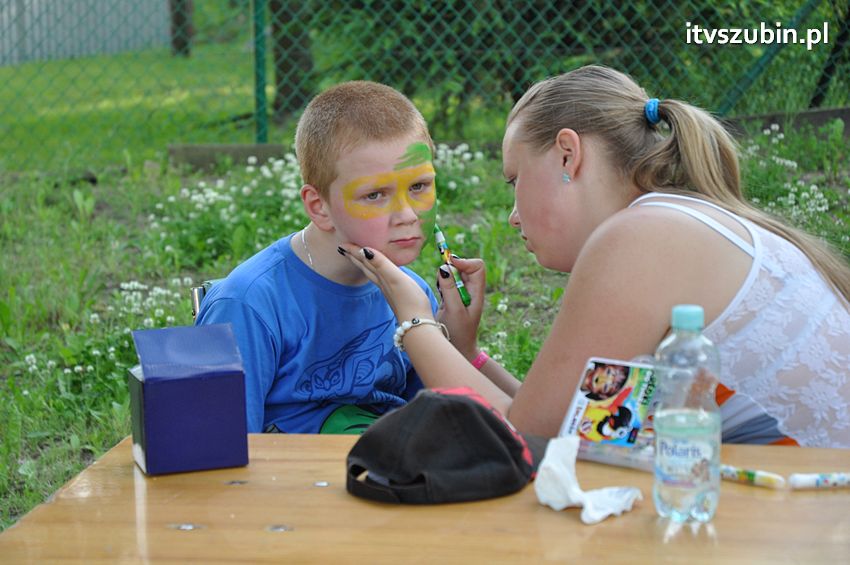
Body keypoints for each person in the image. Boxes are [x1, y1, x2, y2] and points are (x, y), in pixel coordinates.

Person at [340, 65, 850, 448]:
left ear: (568, 153)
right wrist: (471, 354)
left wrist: (415, 319)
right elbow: (588, 428)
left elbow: (522, 444)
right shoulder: (676, 220)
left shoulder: (637, 239)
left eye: (516, 180)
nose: (513, 215)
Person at [195, 81, 439, 434]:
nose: (407, 215)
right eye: (375, 195)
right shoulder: (248, 304)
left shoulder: (412, 296)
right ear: (319, 207)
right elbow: (219, 446)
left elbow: (437, 423)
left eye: (419, 186)